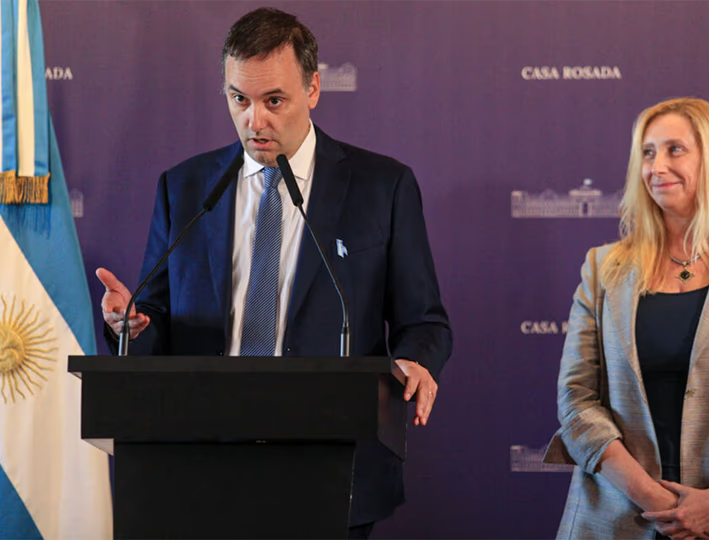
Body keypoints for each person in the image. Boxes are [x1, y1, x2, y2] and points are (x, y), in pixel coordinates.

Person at [96, 7, 452, 537]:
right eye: (239, 99)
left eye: (274, 101)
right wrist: (131, 325)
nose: (254, 121)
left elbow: (423, 322)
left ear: (313, 89)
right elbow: (156, 316)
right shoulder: (185, 187)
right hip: (201, 468)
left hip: (331, 466)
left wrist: (414, 362)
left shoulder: (382, 187)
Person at [543, 97, 709, 539]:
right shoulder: (604, 268)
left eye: (675, 150)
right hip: (617, 517)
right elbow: (577, 402)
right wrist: (657, 500)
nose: (657, 166)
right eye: (647, 153)